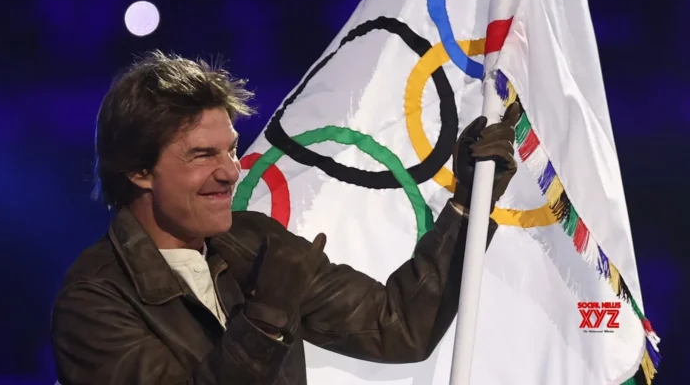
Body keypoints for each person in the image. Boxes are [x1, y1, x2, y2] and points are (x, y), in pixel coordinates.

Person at [50, 51, 519, 385]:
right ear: (138, 170)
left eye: (232, 149)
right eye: (201, 155)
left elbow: (398, 328)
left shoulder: (254, 243)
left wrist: (467, 205)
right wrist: (266, 323)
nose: (230, 172)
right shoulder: (92, 303)